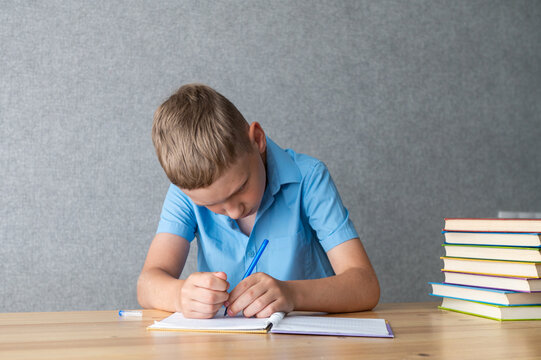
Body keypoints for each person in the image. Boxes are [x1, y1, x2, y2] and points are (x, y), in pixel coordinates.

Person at [137, 83, 380, 319]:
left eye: (241, 187)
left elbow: (365, 286)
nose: (233, 212)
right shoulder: (185, 194)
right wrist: (181, 295)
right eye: (211, 205)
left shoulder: (309, 178)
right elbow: (147, 284)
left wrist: (291, 293)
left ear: (258, 139)